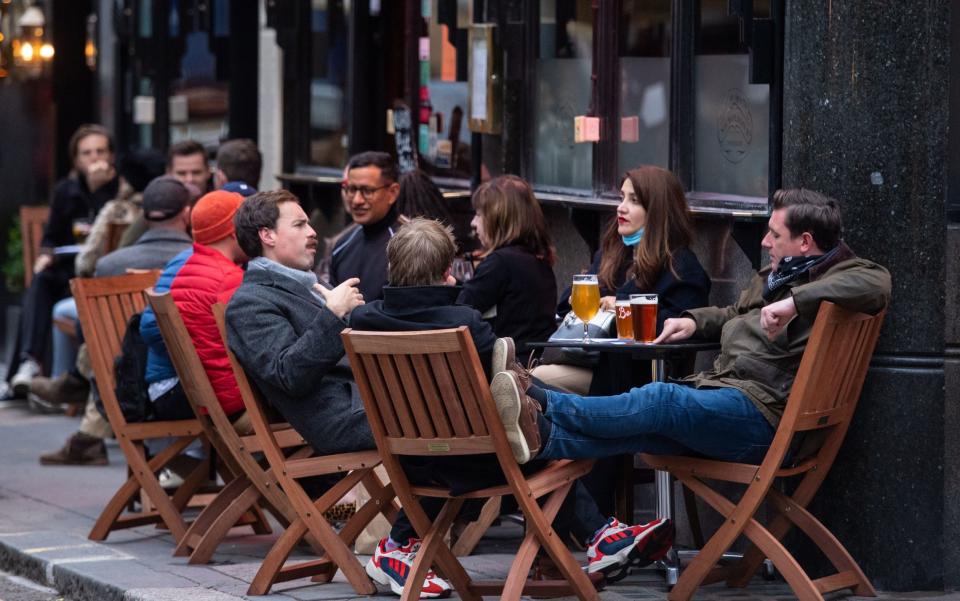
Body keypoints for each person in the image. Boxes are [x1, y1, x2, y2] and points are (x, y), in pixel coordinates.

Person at [349, 217, 674, 591]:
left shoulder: (364, 321)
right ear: (446, 272)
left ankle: (398, 545)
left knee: (533, 439)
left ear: (393, 268)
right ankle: (603, 532)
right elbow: (508, 380)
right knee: (544, 446)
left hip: (411, 462)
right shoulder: (464, 324)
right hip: (475, 462)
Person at [488, 189, 892, 471]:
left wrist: (794, 302)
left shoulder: (845, 274)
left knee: (661, 401)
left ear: (806, 242)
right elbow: (736, 311)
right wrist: (695, 320)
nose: (766, 241)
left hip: (765, 418)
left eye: (775, 234)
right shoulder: (778, 274)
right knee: (641, 430)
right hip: (726, 393)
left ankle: (541, 402)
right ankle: (541, 435)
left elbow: (878, 282)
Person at [38, 176, 195, 466]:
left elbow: (87, 333)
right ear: (187, 214)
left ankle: (74, 383)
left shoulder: (110, 265)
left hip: (124, 392)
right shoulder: (197, 264)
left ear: (144, 216)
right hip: (187, 392)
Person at [534, 165, 711, 396]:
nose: (621, 207)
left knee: (530, 381)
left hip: (635, 379)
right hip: (587, 359)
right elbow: (567, 301)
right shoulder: (615, 253)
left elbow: (676, 330)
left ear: (658, 210)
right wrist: (598, 300)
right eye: (621, 198)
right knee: (522, 378)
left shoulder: (682, 268)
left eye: (634, 200)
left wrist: (620, 306)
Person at [8, 125, 126, 397]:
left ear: (111, 156)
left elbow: (112, 231)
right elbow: (50, 237)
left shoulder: (121, 190)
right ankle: (31, 362)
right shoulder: (65, 190)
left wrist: (99, 190)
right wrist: (45, 257)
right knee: (41, 281)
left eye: (100, 151)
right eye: (86, 153)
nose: (94, 158)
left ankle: (60, 380)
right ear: (76, 160)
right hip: (68, 270)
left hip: (102, 273)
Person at [457, 175, 558, 359]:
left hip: (507, 370)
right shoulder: (539, 259)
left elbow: (460, 311)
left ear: (499, 219)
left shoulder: (500, 263)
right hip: (534, 362)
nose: (473, 222)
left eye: (479, 215)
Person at [329, 151, 404, 301]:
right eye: (351, 189)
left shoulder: (409, 247)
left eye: (367, 191)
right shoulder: (341, 245)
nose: (357, 200)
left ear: (393, 192)